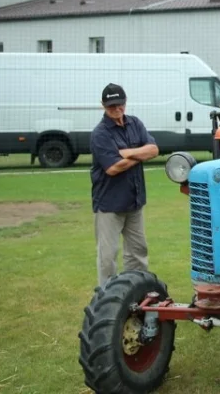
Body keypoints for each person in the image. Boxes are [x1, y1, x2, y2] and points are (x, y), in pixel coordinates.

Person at [90, 83, 159, 287]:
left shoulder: (135, 123)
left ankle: (137, 292)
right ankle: (106, 298)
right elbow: (113, 168)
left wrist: (127, 152)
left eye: (119, 104)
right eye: (111, 105)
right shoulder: (100, 133)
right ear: (103, 105)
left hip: (134, 201)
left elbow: (154, 150)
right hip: (109, 204)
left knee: (138, 252)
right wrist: (140, 154)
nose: (116, 108)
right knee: (107, 257)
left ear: (125, 103)